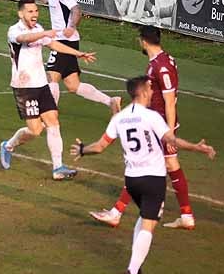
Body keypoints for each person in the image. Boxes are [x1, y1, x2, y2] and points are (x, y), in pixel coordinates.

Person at [71, 76, 207, 274]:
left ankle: (136, 263)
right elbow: (171, 140)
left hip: (132, 180)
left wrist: (83, 150)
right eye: (151, 88)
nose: (153, 92)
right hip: (153, 178)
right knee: (149, 225)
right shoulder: (151, 116)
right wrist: (195, 147)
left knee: (144, 218)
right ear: (142, 92)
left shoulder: (120, 118)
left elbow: (101, 145)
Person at [90, 25, 216, 229]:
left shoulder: (161, 66)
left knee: (142, 166)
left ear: (144, 41)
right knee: (170, 166)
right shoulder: (160, 61)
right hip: (158, 123)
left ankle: (116, 213)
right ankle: (186, 215)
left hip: (159, 125)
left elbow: (168, 101)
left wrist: (169, 132)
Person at [0, 0, 97, 180]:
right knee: (35, 130)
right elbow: (25, 38)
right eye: (30, 11)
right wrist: (47, 33)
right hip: (24, 87)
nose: (34, 14)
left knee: (53, 121)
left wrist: (78, 53)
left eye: (36, 11)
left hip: (41, 84)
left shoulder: (38, 29)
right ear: (20, 13)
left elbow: (53, 44)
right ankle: (8, 146)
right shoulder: (14, 31)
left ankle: (58, 168)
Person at [25, 0, 121, 114]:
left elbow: (76, 10)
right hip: (68, 40)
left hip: (64, 40)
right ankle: (111, 101)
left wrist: (72, 27)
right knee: (72, 84)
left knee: (51, 76)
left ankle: (50, 114)